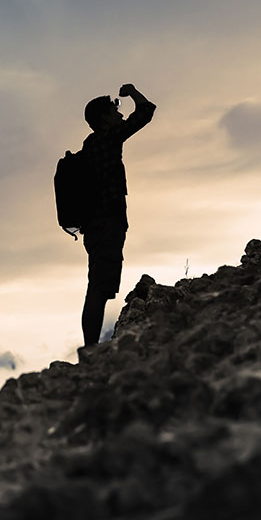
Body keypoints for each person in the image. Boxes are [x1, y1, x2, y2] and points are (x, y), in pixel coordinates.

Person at [78, 83, 156, 346]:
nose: (120, 114)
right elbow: (145, 112)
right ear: (104, 119)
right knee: (99, 289)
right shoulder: (106, 139)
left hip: (97, 226)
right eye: (114, 111)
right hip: (105, 224)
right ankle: (90, 350)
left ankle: (91, 348)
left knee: (99, 286)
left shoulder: (92, 145)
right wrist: (133, 91)